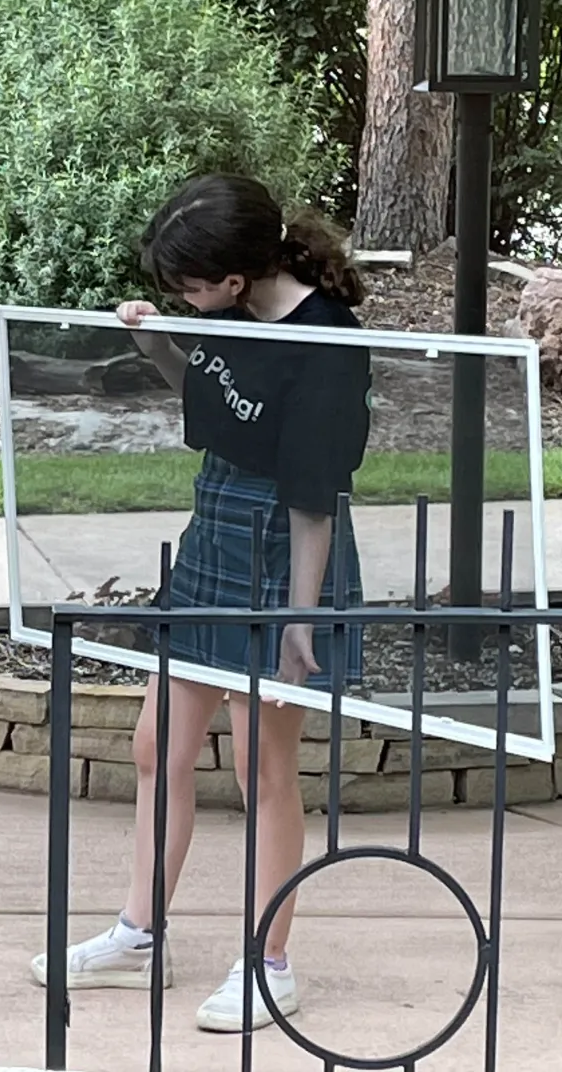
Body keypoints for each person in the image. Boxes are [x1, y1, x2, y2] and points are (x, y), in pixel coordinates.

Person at [29, 173, 371, 1032]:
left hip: (287, 542)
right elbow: (210, 398)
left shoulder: (325, 340)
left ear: (235, 276)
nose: (176, 295)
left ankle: (270, 965)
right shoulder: (223, 311)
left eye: (185, 285)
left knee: (263, 765)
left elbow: (314, 491)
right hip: (215, 518)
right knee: (157, 745)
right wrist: (157, 340)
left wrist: (300, 616)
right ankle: (140, 935)